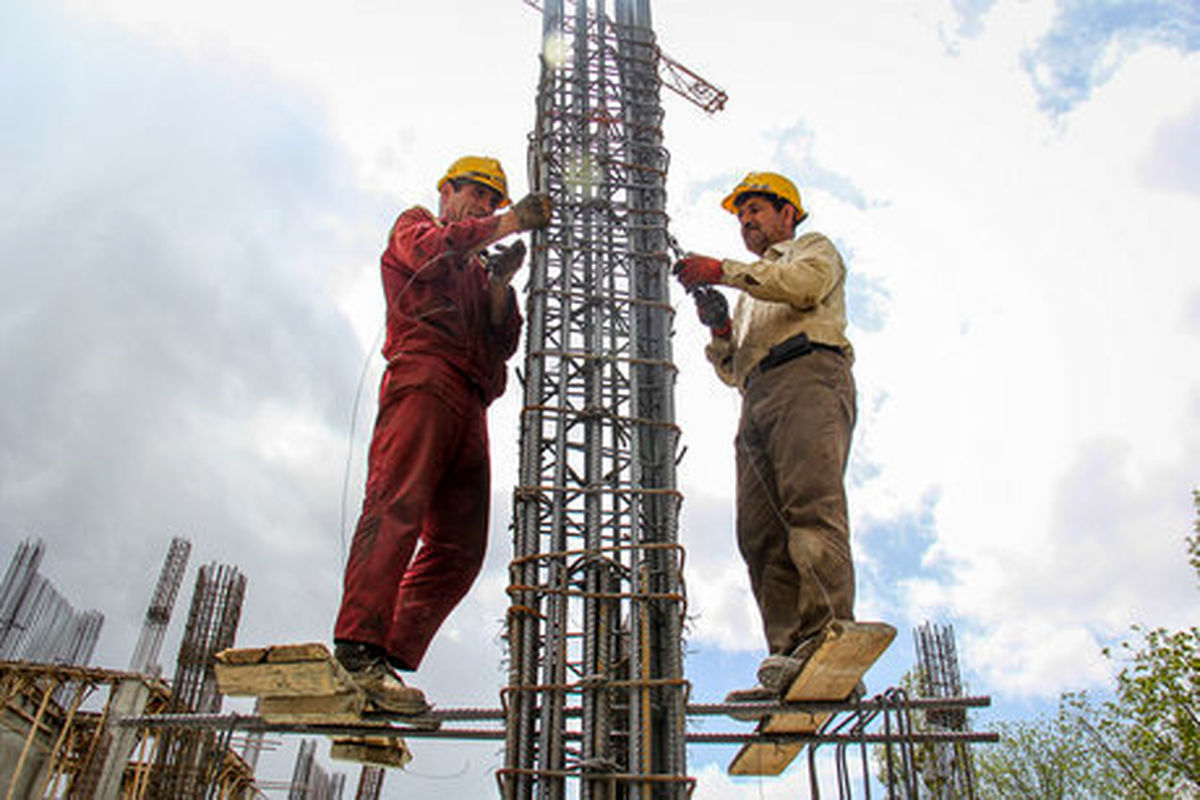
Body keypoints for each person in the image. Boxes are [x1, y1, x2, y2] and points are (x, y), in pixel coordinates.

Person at [333, 156, 552, 713]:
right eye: (477, 195)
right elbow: (433, 249)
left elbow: (501, 340)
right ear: (446, 191)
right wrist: (509, 225)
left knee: (460, 549)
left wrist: (501, 283)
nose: (484, 206)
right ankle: (357, 648)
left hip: (471, 399)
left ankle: (387, 657)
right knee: (396, 504)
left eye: (493, 202)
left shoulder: (477, 269)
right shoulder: (417, 226)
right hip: (424, 376)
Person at [674, 171, 856, 704]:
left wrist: (724, 271)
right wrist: (721, 331)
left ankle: (827, 636)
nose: (746, 220)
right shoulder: (751, 295)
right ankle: (788, 657)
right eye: (740, 214)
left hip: (809, 376)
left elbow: (802, 288)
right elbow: (732, 371)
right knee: (759, 534)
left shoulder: (811, 251)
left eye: (755, 209)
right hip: (757, 394)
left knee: (809, 508)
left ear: (788, 213)